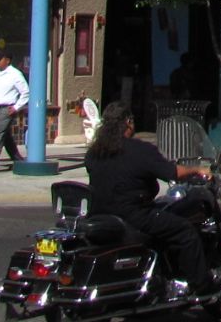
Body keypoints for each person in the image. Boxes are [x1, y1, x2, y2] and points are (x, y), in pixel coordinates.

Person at [86, 102, 211, 299]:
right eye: (132, 120)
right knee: (185, 231)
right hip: (135, 216)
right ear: (128, 123)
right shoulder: (139, 150)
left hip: (102, 215)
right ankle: (202, 287)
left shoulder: (94, 152)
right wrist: (197, 169)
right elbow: (173, 172)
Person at [0, 51, 31, 171]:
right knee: (6, 137)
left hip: (7, 110)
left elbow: (26, 92)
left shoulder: (15, 74)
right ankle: (18, 160)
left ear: (7, 60)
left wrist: (16, 107)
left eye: (0, 59)